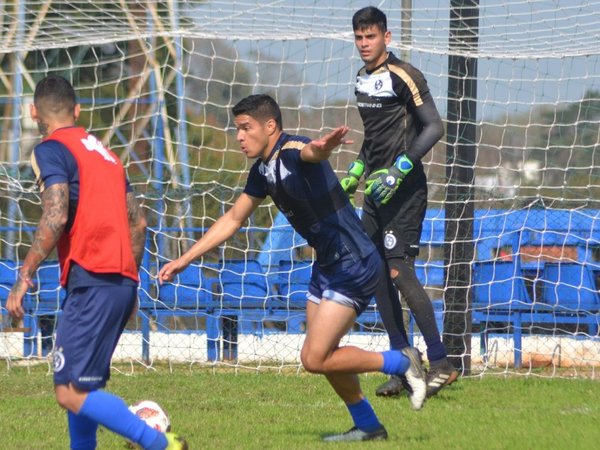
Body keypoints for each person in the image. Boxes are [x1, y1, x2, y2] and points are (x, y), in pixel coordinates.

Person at [158, 94, 427, 442]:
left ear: (270, 126)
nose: (239, 136)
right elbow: (234, 218)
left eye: (246, 128)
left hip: (354, 261)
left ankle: (402, 363)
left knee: (314, 359)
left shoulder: (290, 150)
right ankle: (368, 426)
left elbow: (310, 152)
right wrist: (184, 259)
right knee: (326, 356)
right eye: (237, 129)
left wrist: (324, 148)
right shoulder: (262, 170)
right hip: (328, 265)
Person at [6, 75, 187, 450]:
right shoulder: (106, 155)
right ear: (77, 110)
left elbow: (55, 214)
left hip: (92, 280)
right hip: (117, 280)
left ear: (33, 112)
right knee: (83, 384)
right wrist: (130, 279)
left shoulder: (51, 149)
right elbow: (138, 221)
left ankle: (159, 445)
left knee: (68, 392)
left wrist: (24, 275)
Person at [340, 6, 458, 398]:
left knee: (399, 272)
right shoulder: (361, 80)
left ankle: (441, 363)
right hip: (375, 194)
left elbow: (434, 126)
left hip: (405, 191)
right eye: (358, 37)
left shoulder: (404, 75)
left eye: (370, 37)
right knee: (376, 274)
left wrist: (399, 169)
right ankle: (404, 365)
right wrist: (357, 172)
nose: (363, 44)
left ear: (386, 38)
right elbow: (373, 139)